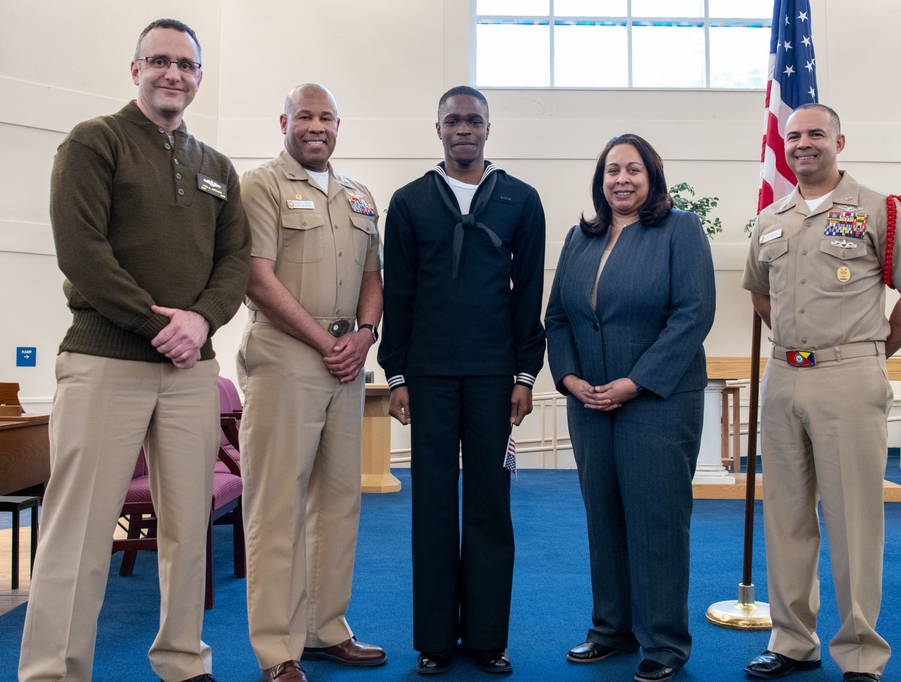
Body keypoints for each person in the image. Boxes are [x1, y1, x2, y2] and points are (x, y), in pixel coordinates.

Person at [18, 18, 250, 682]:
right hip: (104, 362)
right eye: (159, 61)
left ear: (199, 78)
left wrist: (201, 324)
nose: (172, 73)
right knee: (80, 533)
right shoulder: (95, 142)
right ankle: (53, 671)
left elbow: (233, 264)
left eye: (185, 64)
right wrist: (159, 326)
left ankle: (182, 660)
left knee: (188, 531)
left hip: (189, 375)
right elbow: (83, 253)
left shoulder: (218, 169)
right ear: (135, 69)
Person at [742, 104, 901, 682]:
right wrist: (795, 345)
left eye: (815, 134)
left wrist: (870, 353)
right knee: (787, 514)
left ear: (839, 141)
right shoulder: (770, 218)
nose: (803, 144)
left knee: (854, 516)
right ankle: (792, 641)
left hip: (849, 379)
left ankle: (859, 653)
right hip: (784, 377)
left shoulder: (880, 209)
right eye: (794, 135)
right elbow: (759, 293)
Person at [378, 85, 545, 676]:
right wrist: (395, 372)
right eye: (454, 120)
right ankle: (434, 639)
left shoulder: (521, 200)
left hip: (495, 377)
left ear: (488, 129)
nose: (464, 129)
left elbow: (529, 296)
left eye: (474, 120)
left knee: (489, 504)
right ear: (439, 128)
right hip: (427, 376)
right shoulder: (409, 202)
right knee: (431, 503)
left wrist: (526, 373)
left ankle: (486, 637)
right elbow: (397, 292)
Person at [545, 134, 716, 682]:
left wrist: (634, 383)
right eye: (612, 170)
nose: (622, 178)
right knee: (604, 516)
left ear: (653, 177)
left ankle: (663, 644)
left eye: (633, 170)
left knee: (657, 521)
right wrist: (570, 378)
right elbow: (559, 319)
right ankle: (610, 630)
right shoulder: (580, 236)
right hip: (589, 402)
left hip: (658, 401)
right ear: (600, 179)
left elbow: (692, 315)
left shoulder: (680, 230)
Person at [237, 83, 386, 682]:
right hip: (287, 357)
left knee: (338, 501)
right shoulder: (262, 186)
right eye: (305, 115)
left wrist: (365, 334)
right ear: (284, 121)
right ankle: (279, 648)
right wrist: (328, 343)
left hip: (347, 360)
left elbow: (374, 275)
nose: (316, 125)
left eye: (326, 116)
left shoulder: (358, 194)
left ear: (338, 124)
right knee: (277, 505)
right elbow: (257, 279)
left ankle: (327, 629)